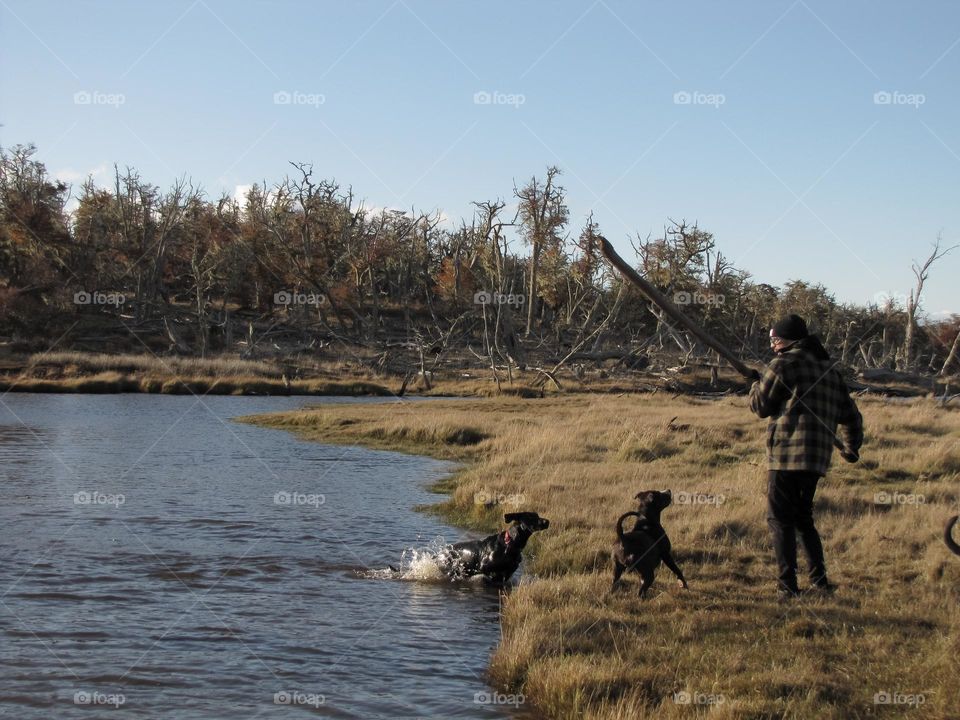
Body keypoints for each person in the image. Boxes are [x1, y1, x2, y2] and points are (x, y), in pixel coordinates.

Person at [749, 314, 863, 599]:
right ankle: (819, 581)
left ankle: (787, 586)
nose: (773, 345)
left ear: (789, 340)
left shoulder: (783, 364)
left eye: (775, 339)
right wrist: (852, 447)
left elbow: (761, 407)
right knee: (803, 519)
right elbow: (852, 417)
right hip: (816, 460)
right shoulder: (830, 372)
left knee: (780, 520)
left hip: (786, 455)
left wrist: (754, 384)